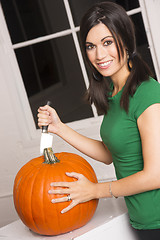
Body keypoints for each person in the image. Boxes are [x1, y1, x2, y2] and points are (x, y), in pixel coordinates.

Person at [37, 2, 160, 239]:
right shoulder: (115, 92)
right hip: (142, 222)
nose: (99, 55)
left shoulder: (147, 93)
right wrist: (59, 128)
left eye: (107, 42)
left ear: (126, 40)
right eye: (91, 46)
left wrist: (95, 190)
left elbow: (156, 175)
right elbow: (111, 154)